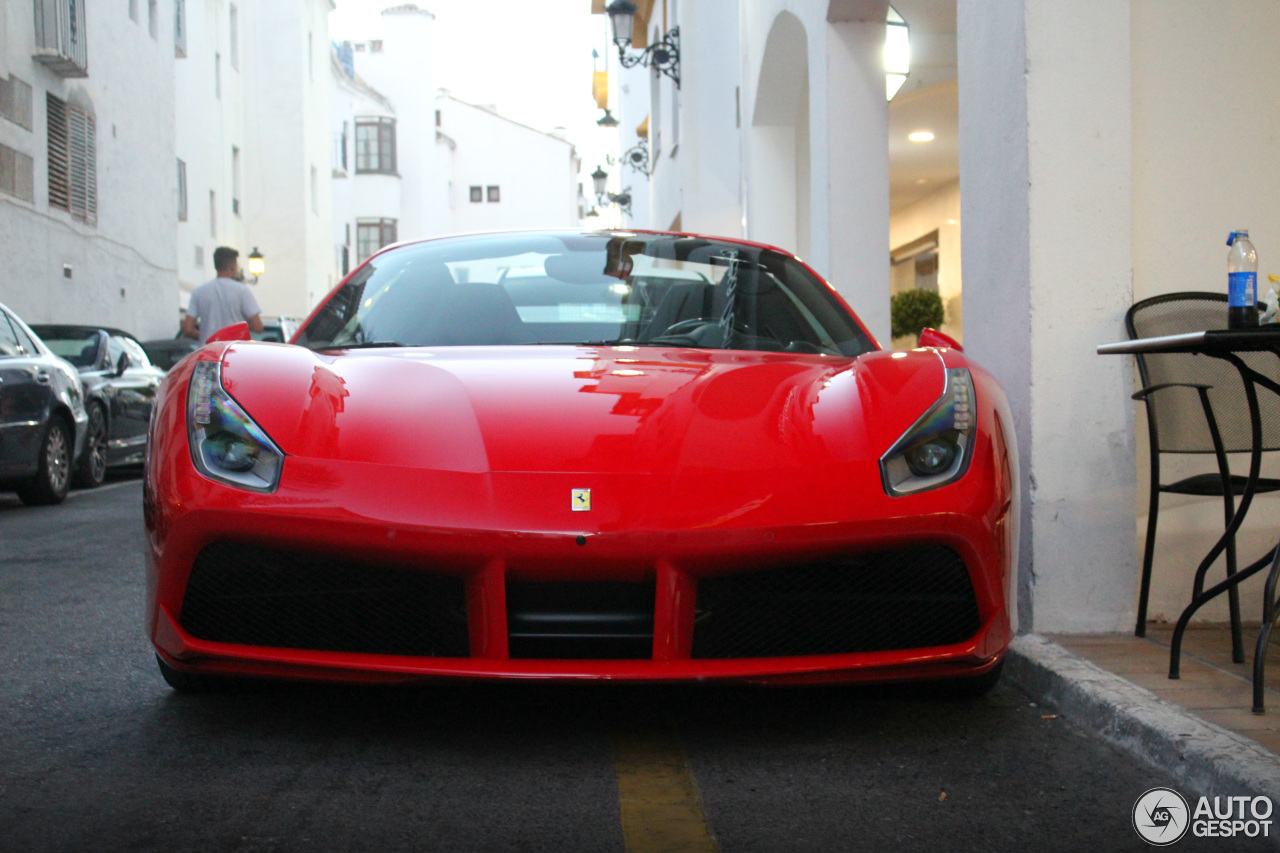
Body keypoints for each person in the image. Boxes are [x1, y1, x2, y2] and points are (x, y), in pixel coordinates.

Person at [181, 246, 265, 344]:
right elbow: (258, 327)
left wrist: (204, 336)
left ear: (216, 266)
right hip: (235, 351)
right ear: (233, 266)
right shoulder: (242, 291)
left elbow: (188, 329)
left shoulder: (199, 291)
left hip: (209, 351)